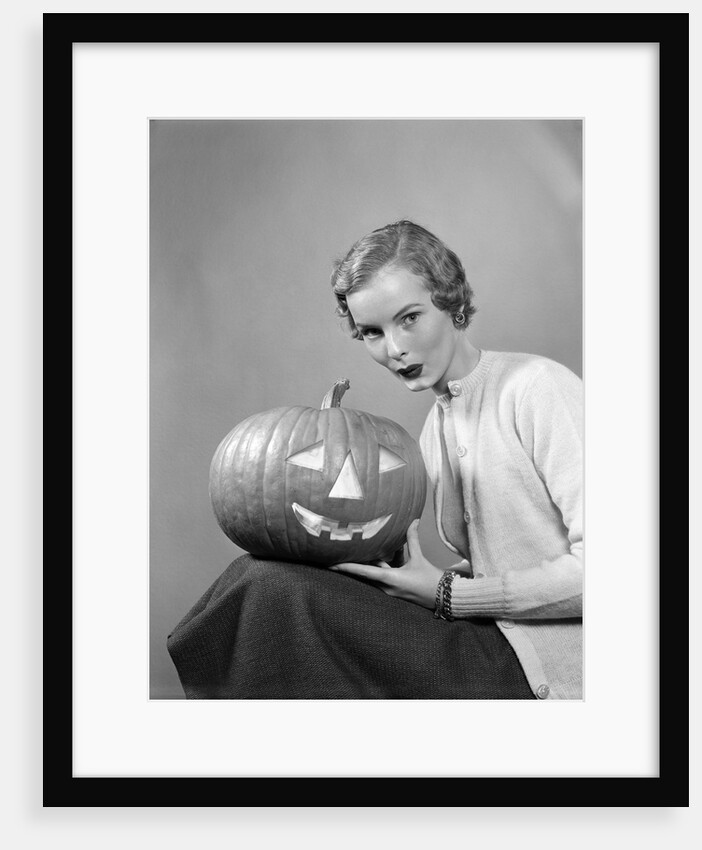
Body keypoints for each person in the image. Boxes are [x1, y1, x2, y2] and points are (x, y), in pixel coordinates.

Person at [327, 220, 583, 701]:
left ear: (451, 302)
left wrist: (449, 593)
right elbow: (509, 554)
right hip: (493, 641)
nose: (395, 349)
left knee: (280, 598)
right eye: (372, 333)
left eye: (409, 318)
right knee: (279, 587)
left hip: (553, 677)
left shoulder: (537, 387)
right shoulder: (432, 431)